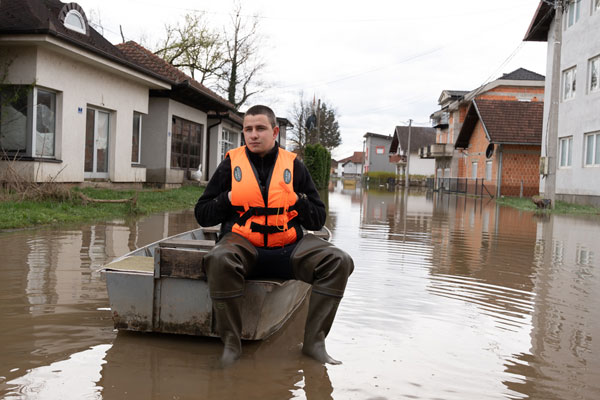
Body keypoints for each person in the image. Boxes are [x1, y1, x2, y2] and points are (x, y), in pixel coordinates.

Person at [195, 105, 354, 367]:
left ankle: (314, 344)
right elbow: (202, 214)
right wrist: (229, 198)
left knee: (339, 261)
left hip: (288, 249)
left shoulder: (294, 166)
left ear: (275, 132)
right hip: (243, 247)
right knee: (219, 258)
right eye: (248, 129)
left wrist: (297, 201)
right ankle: (232, 346)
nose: (253, 135)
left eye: (260, 128)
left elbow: (318, 219)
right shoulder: (230, 165)